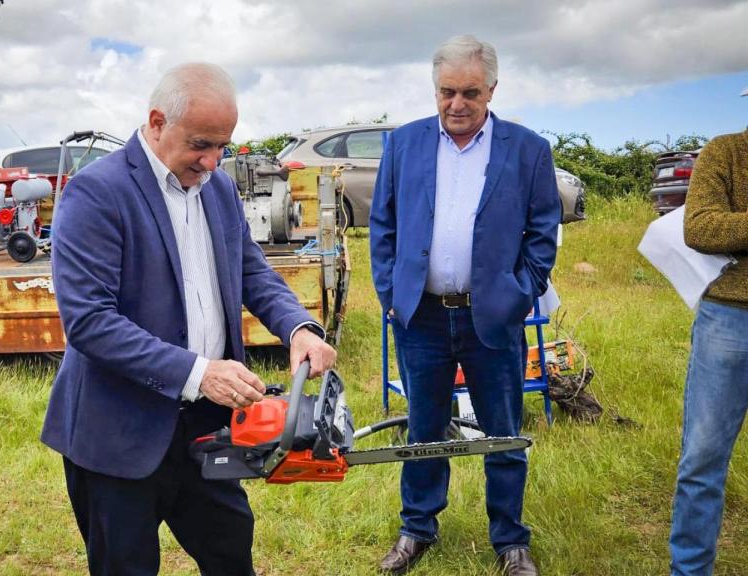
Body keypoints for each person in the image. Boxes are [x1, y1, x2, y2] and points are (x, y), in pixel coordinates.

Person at [41, 62, 336, 575]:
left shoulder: (216, 188)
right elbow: (89, 321)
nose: (213, 160)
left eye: (223, 145)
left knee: (229, 556)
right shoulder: (97, 193)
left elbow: (250, 270)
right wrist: (200, 372)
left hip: (206, 427)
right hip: (120, 433)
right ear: (157, 122)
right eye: (202, 143)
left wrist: (299, 327)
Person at [369, 35, 560, 575]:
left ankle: (510, 541)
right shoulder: (404, 144)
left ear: (492, 90)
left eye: (470, 93)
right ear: (435, 89)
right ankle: (416, 529)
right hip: (422, 317)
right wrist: (391, 291)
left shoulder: (527, 150)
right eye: (447, 91)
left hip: (492, 317)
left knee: (503, 431)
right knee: (424, 429)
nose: (457, 104)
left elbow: (543, 232)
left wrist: (519, 291)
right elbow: (382, 224)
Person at [669, 87, 748, 576]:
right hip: (729, 319)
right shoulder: (726, 151)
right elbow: (700, 228)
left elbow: (726, 227)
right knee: (702, 460)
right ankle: (690, 570)